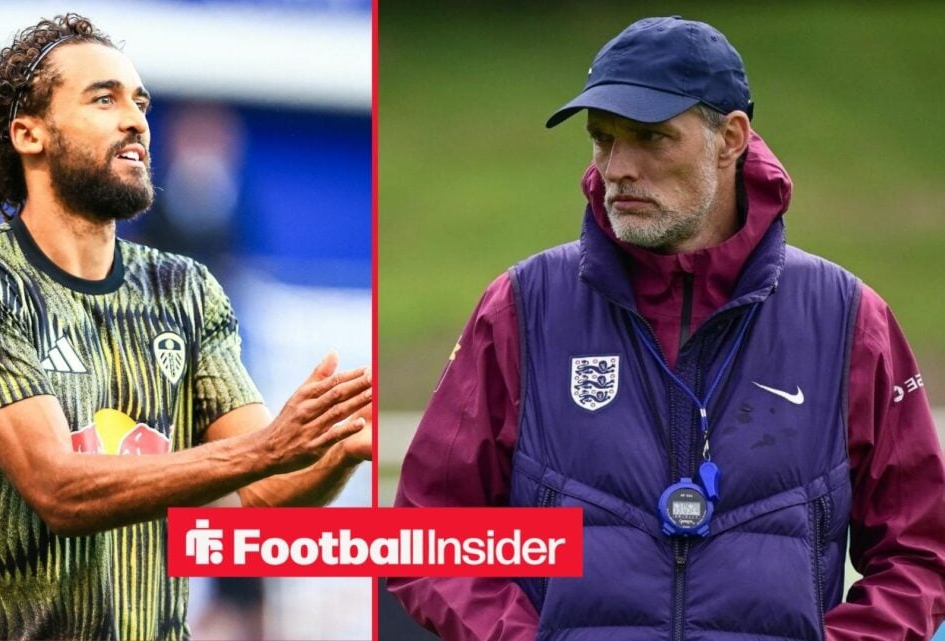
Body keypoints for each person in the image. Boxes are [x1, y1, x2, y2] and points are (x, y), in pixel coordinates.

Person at [388, 16, 945, 641]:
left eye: (651, 138)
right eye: (603, 140)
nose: (617, 168)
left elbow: (921, 554)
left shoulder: (848, 318)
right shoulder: (522, 306)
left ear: (731, 137)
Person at [0, 13, 372, 640]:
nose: (135, 120)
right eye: (104, 99)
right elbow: (57, 490)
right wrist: (265, 449)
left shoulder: (185, 288)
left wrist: (339, 444)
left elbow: (268, 493)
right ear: (29, 134)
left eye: (140, 103)